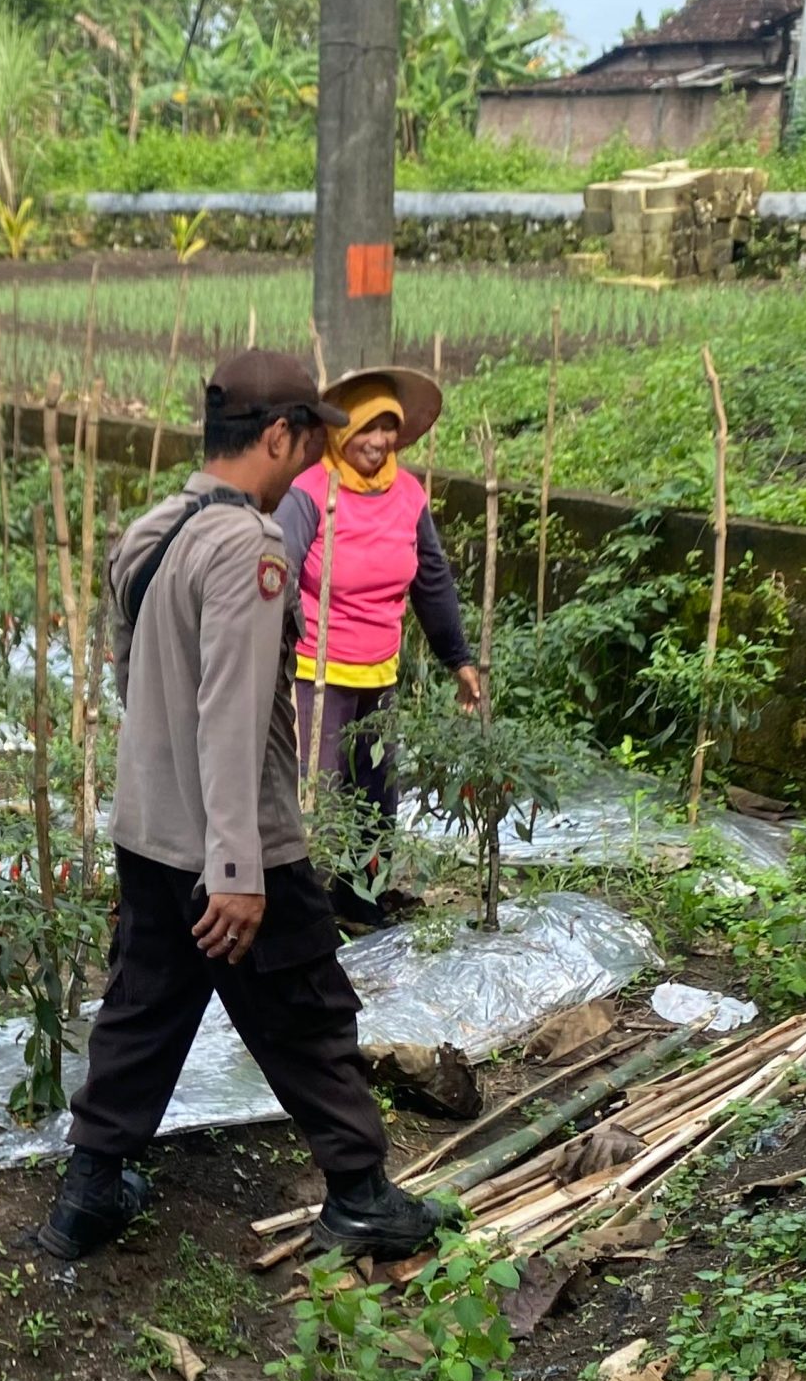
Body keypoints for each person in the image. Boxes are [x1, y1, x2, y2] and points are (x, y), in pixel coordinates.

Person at [32, 350, 460, 1266]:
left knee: (143, 1007)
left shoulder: (150, 531)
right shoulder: (249, 548)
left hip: (148, 831)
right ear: (278, 436)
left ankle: (90, 1193)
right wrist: (236, 866)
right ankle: (358, 1192)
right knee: (306, 1008)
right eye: (308, 443)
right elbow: (230, 713)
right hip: (237, 841)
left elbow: (130, 676)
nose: (312, 464)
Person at [276, 369, 485, 918]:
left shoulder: (408, 494)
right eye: (368, 427)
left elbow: (432, 581)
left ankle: (364, 904)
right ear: (343, 434)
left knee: (376, 797)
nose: (378, 441)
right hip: (315, 677)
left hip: (379, 676)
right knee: (313, 794)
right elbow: (275, 572)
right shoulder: (310, 492)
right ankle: (304, 911)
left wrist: (457, 660)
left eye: (389, 428)